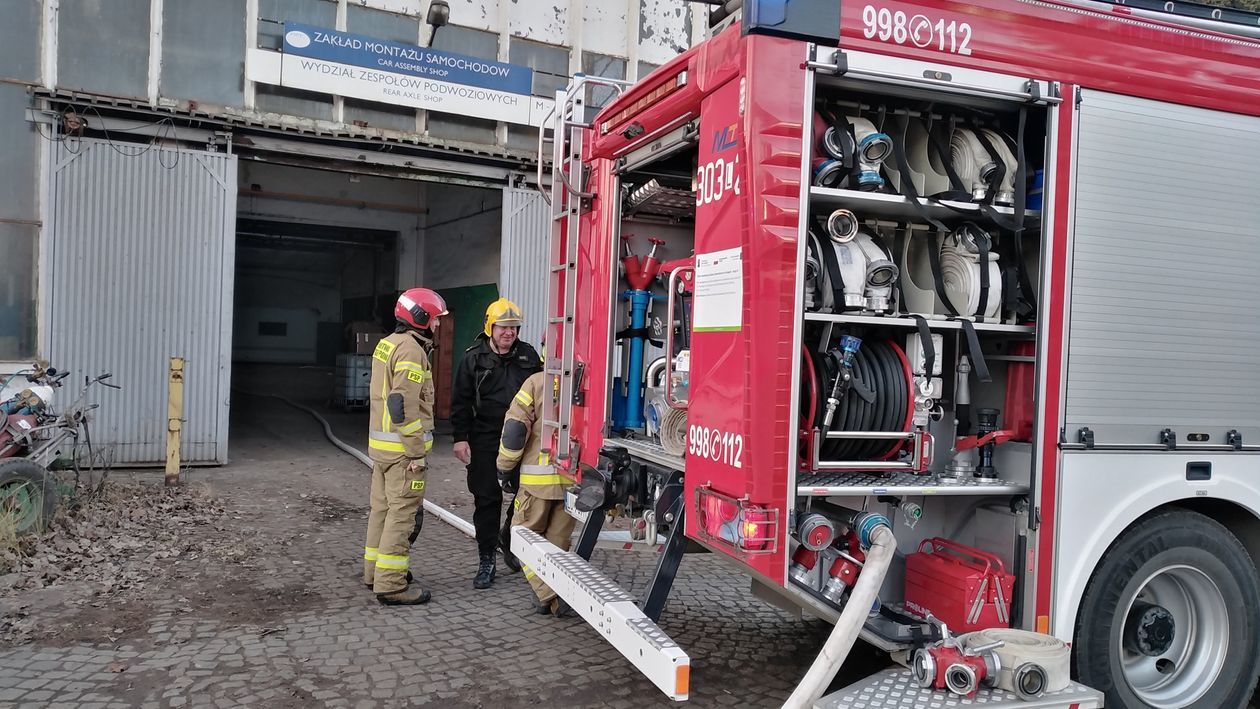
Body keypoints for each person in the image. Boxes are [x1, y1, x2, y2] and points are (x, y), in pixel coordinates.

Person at [362, 287, 447, 606]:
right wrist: (415, 452)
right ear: (421, 317)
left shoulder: (387, 344)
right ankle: (392, 584)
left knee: (381, 512)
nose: (437, 325)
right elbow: (401, 404)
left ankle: (374, 573)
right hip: (403, 454)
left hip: (382, 451)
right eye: (436, 319)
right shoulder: (412, 351)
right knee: (402, 516)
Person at [451, 298, 542, 589]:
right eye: (504, 327)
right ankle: (487, 559)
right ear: (490, 327)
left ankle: (508, 535)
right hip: (485, 437)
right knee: (487, 499)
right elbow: (461, 401)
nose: (509, 333)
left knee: (525, 494)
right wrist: (460, 438)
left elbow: (543, 393)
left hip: (523, 438)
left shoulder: (529, 357)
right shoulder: (473, 358)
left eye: (514, 328)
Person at [496, 344, 576, 617]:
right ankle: (551, 599)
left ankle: (549, 594)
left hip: (536, 483)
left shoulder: (536, 383)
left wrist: (505, 469)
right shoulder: (590, 385)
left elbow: (515, 430)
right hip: (574, 484)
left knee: (523, 540)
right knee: (556, 545)